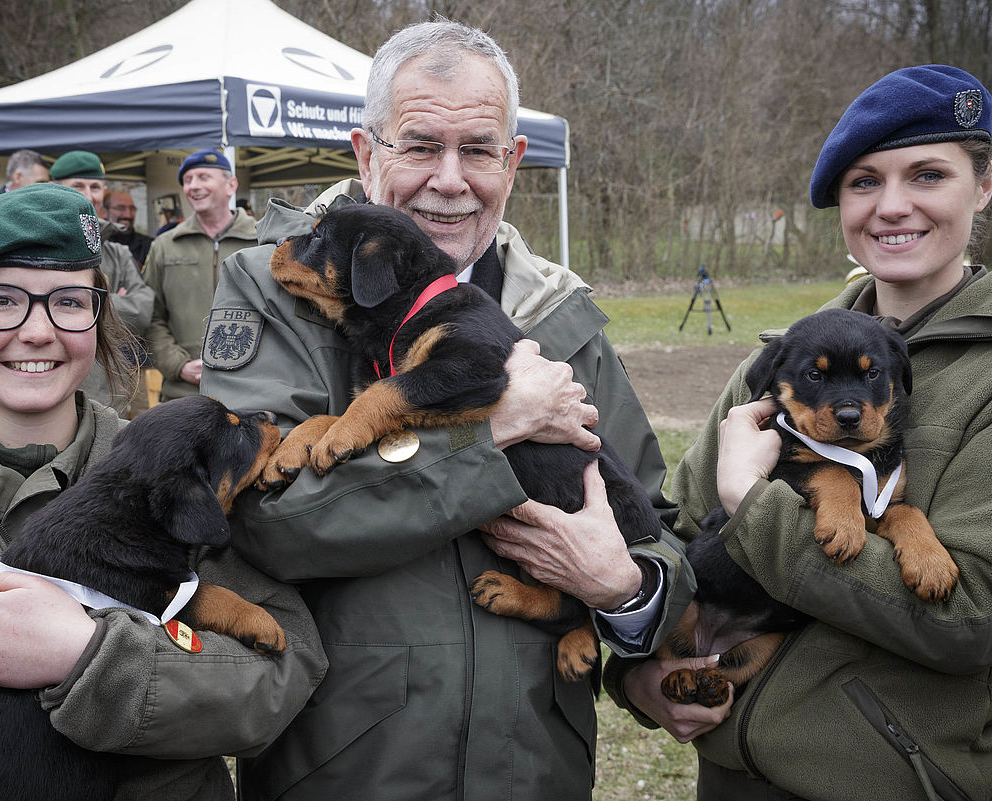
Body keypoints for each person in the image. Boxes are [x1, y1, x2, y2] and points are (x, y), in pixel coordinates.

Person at [201, 19, 693, 801]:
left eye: (479, 150)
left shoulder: (562, 315)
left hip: (536, 774)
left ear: (514, 161)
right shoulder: (277, 290)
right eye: (421, 145)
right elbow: (263, 521)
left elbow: (658, 527)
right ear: (367, 154)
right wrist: (489, 430)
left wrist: (626, 591)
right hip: (348, 772)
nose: (450, 179)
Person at [604, 65, 992, 801]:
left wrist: (754, 503)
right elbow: (669, 530)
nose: (892, 206)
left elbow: (973, 620)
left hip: (888, 781)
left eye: (926, 174)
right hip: (728, 772)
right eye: (863, 182)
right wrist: (636, 670)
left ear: (983, 186)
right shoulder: (784, 355)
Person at [0, 183, 327, 798]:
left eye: (69, 301)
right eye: (0, 301)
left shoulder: (182, 473)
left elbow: (286, 675)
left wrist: (92, 658)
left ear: (99, 321)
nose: (37, 331)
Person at [142, 148, 257, 401]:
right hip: (183, 395)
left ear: (231, 184)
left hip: (252, 391)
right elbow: (152, 316)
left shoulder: (261, 241)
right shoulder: (164, 245)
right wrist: (179, 366)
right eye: (187, 180)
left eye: (203, 177)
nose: (194, 186)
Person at [51, 150, 155, 412]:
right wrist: (108, 298)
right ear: (54, 188)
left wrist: (77, 300)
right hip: (53, 391)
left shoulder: (118, 253)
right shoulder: (39, 249)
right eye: (78, 185)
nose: (89, 195)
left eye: (95, 187)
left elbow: (141, 314)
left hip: (108, 400)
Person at [104, 189, 155, 268]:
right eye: (121, 208)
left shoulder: (149, 246)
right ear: (105, 212)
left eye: (132, 209)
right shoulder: (96, 246)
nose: (128, 215)